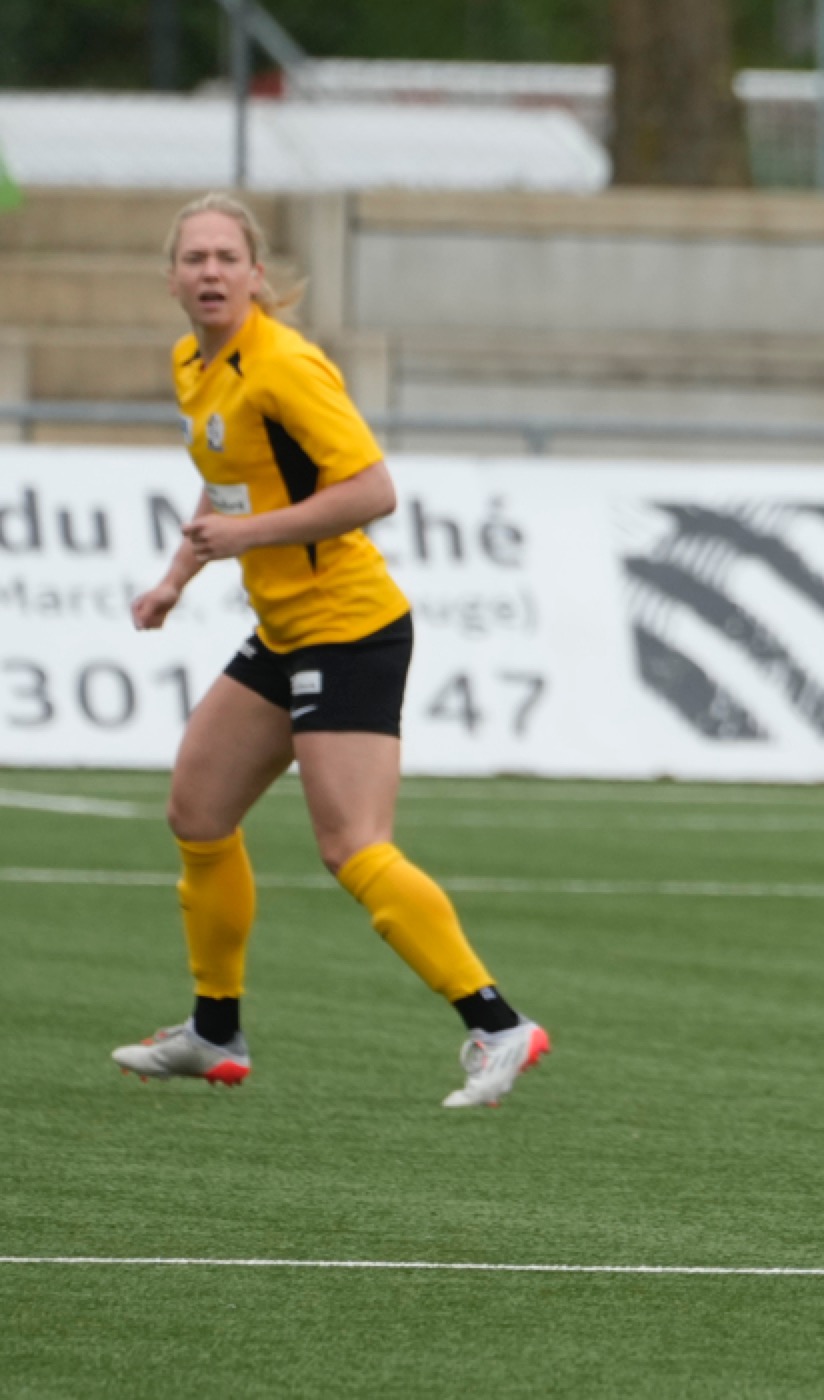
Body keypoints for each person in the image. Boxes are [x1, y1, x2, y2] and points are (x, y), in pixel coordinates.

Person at [112, 192, 548, 1108]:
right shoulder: (195, 363)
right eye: (194, 259)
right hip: (283, 630)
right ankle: (214, 1030)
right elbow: (226, 492)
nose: (211, 272)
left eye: (228, 257)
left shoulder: (286, 365)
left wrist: (251, 535)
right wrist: (173, 580)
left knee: (352, 846)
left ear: (258, 274)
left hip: (349, 629)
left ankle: (497, 1024)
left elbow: (374, 489)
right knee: (197, 812)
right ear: (172, 279)